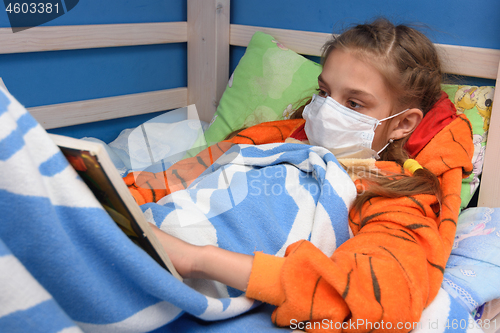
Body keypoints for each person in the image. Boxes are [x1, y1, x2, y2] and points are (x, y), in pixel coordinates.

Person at [130, 19, 474, 331]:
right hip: (143, 232)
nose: (325, 110)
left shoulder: (392, 192)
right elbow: (174, 177)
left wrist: (196, 258)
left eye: (354, 104)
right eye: (324, 92)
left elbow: (378, 294)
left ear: (402, 124)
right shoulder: (271, 141)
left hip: (178, 268)